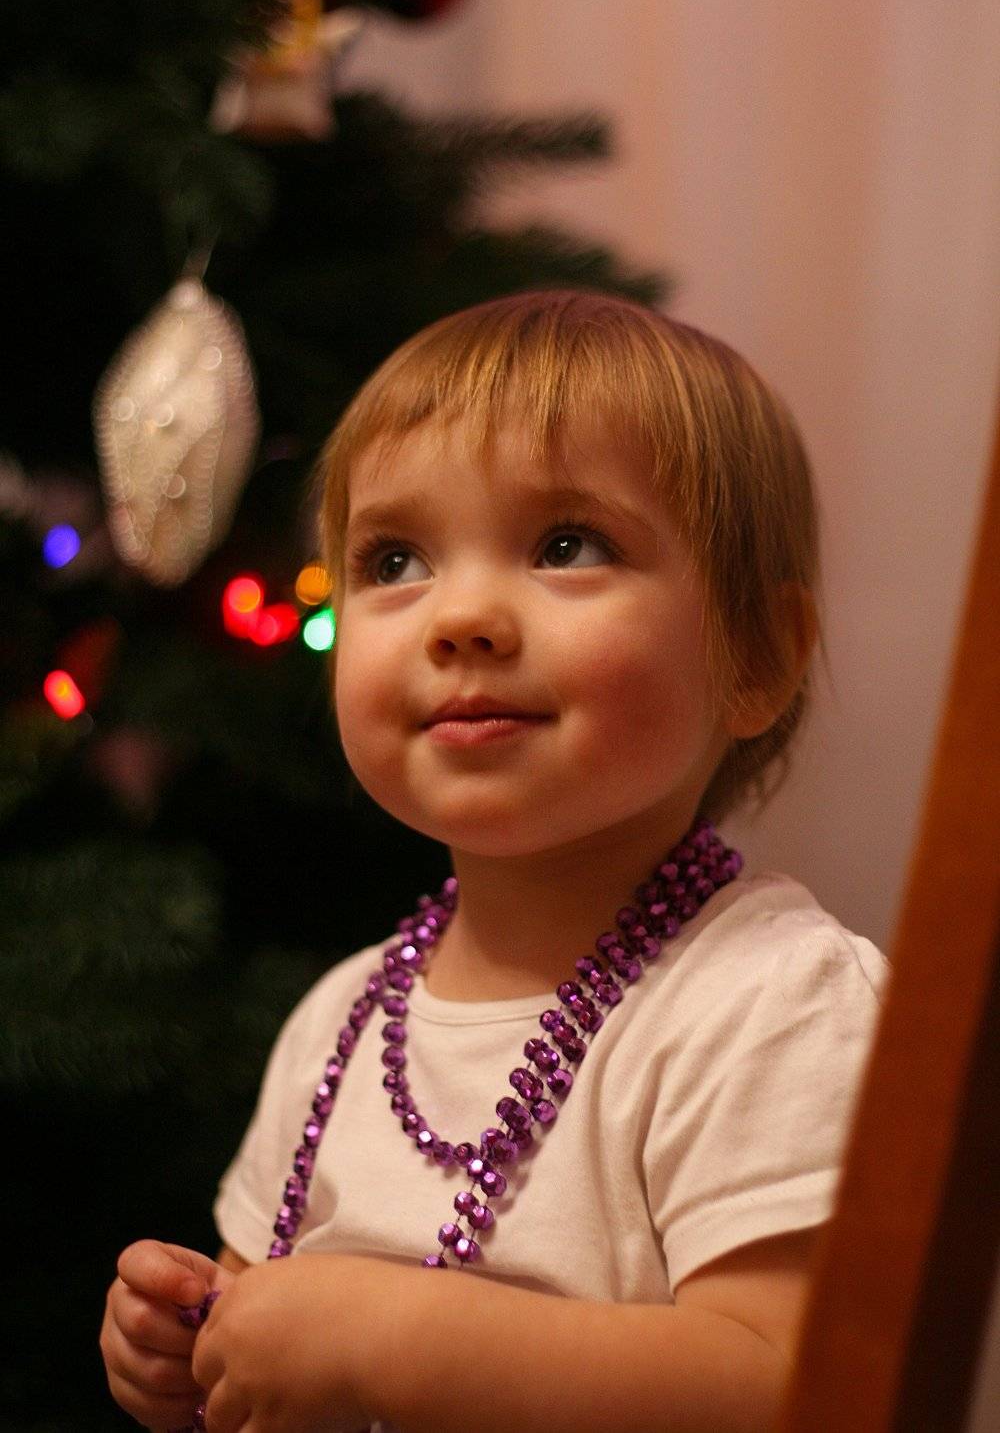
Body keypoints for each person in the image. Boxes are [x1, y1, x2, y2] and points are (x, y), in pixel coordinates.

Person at [101, 290, 888, 1433]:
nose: (459, 616)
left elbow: (801, 1388)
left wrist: (392, 1341)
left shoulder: (774, 1004)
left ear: (757, 657)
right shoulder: (338, 1020)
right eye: (395, 559)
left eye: (566, 546)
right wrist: (188, 1342)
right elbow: (265, 1319)